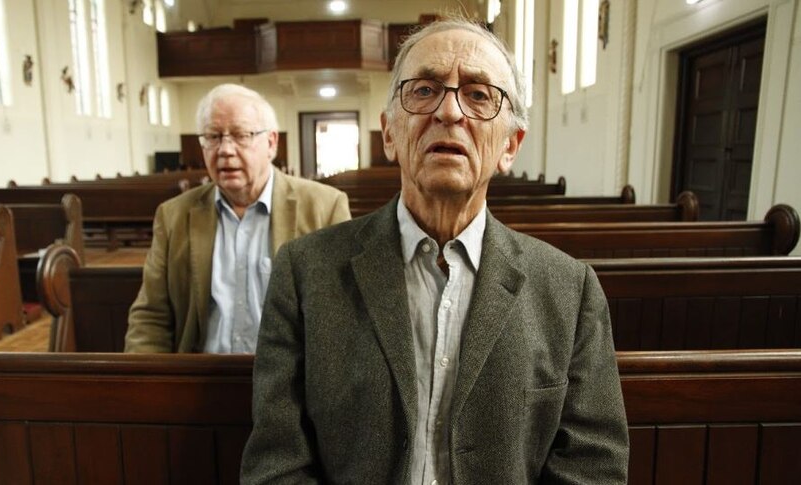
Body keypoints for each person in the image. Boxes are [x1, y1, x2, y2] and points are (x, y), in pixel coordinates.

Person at [241, 18, 629, 484]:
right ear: (389, 135)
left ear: (510, 145)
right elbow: (276, 462)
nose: (449, 112)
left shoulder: (569, 290)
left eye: (479, 94)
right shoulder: (305, 271)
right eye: (424, 90)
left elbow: (593, 467)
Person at [125, 84, 351, 353]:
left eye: (241, 135)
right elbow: (151, 316)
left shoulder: (324, 207)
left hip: (291, 384)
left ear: (271, 143)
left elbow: (344, 313)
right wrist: (148, 387)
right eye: (213, 136)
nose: (225, 150)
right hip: (199, 378)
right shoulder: (173, 215)